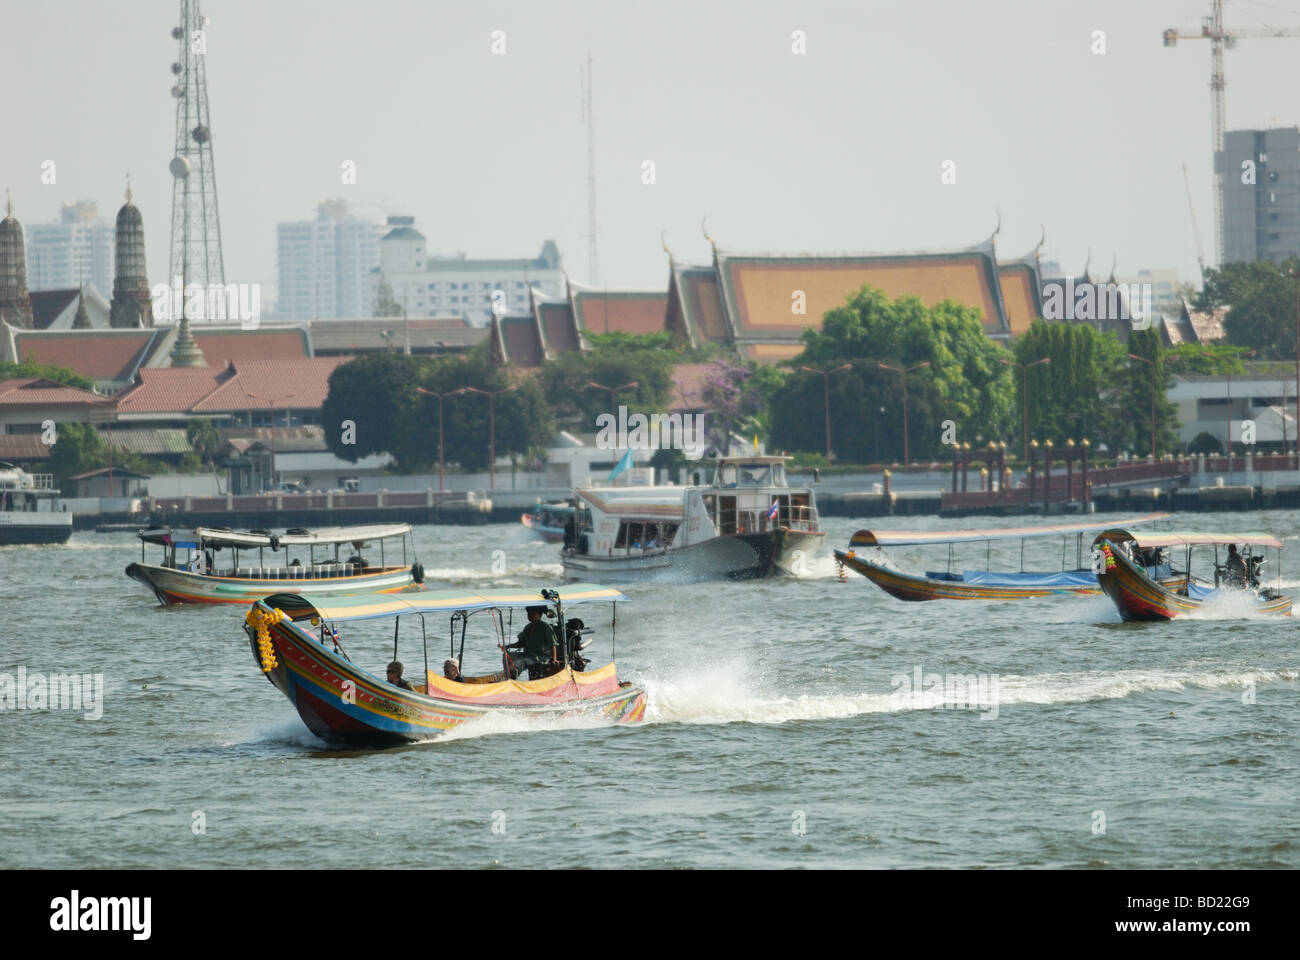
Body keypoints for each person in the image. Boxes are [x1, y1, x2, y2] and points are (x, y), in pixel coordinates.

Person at [505, 606, 559, 679]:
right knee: (507, 656)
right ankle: (507, 676)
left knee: (520, 661)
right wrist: (508, 646)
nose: (530, 616)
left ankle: (511, 678)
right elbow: (521, 643)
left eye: (533, 614)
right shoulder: (528, 627)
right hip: (528, 655)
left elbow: (553, 644)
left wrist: (554, 659)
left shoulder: (545, 627)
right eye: (529, 614)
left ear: (540, 615)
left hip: (539, 658)